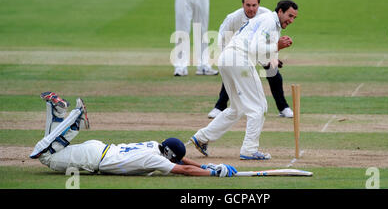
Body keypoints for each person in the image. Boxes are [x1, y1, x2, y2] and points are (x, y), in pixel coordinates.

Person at [30, 92, 237, 177]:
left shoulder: (154, 145)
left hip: (98, 150)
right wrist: (214, 173)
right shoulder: (155, 160)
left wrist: (205, 165)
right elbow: (183, 169)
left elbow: (181, 158)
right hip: (93, 158)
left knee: (55, 148)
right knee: (45, 156)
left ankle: (56, 110)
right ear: (169, 156)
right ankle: (74, 116)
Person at [190, 0, 299, 160]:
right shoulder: (269, 21)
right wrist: (277, 46)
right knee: (258, 107)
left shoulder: (267, 21)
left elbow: (257, 48)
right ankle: (249, 150)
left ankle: (202, 138)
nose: (291, 20)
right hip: (239, 59)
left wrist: (270, 59)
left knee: (237, 108)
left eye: (294, 18)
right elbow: (255, 48)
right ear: (280, 11)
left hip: (228, 59)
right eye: (289, 16)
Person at [208, 0, 294, 119]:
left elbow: (272, 38)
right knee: (233, 74)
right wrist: (227, 58)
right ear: (243, 4)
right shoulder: (233, 18)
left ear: (259, 5)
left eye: (254, 5)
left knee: (273, 73)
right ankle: (219, 107)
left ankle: (283, 108)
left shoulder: (267, 15)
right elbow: (223, 38)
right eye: (248, 5)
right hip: (237, 49)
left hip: (259, 49)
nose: (251, 9)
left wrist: (272, 59)